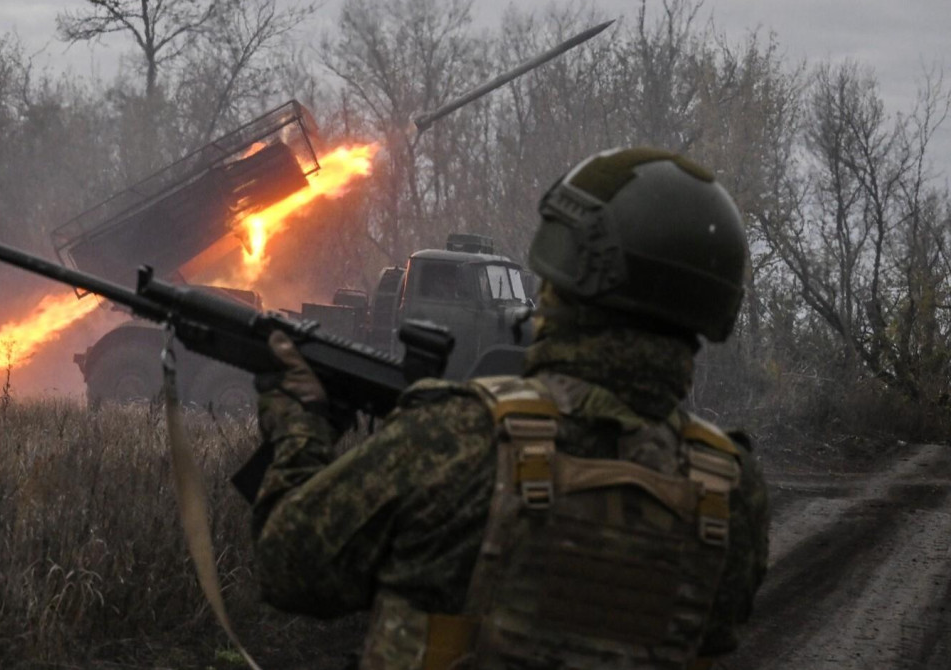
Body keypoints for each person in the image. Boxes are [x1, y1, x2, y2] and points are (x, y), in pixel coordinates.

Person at [249, 147, 770, 670]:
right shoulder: (730, 490)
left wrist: (298, 426)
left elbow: (289, 567)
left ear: (567, 275)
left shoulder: (460, 440)